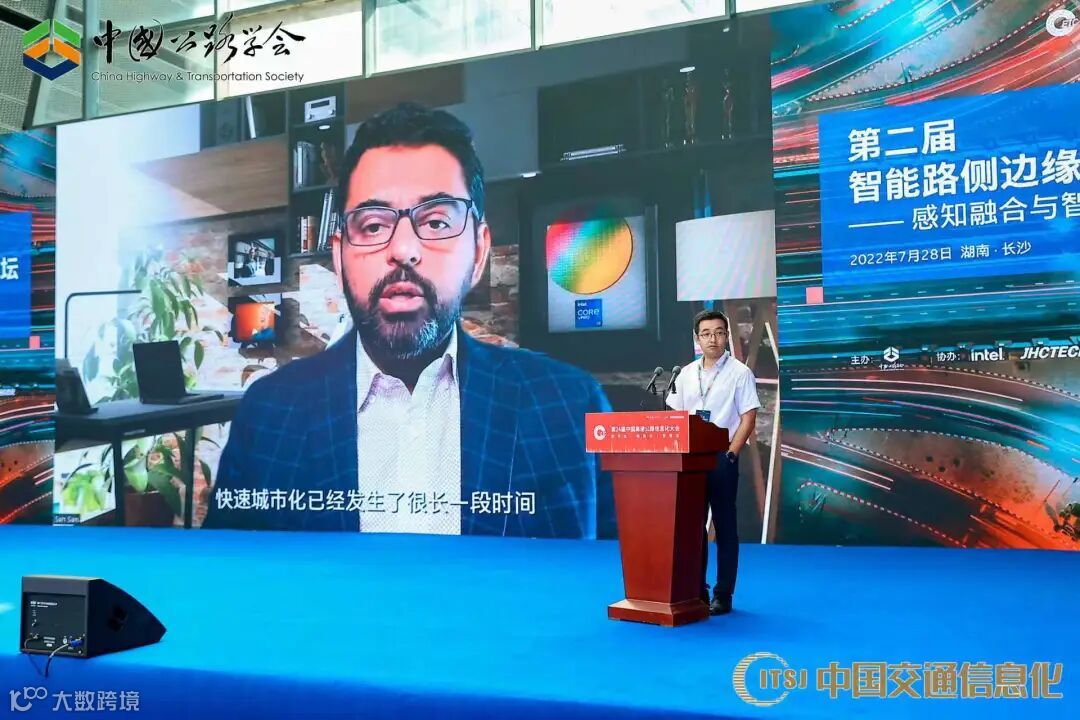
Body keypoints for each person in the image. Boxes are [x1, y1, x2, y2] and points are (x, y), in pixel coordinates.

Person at [205, 102, 611, 537]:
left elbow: (625, 570)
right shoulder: (269, 413)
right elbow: (228, 571)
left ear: (478, 251)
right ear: (339, 258)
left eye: (436, 222)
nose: (403, 250)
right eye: (373, 226)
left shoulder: (570, 406)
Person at [666, 309, 759, 615]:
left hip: (721, 457)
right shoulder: (686, 373)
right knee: (694, 528)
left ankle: (724, 593)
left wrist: (732, 453)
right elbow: (675, 416)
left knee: (724, 527)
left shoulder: (740, 373)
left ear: (727, 336)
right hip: (690, 461)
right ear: (697, 338)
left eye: (719, 333)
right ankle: (697, 590)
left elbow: (748, 418)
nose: (713, 339)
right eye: (706, 334)